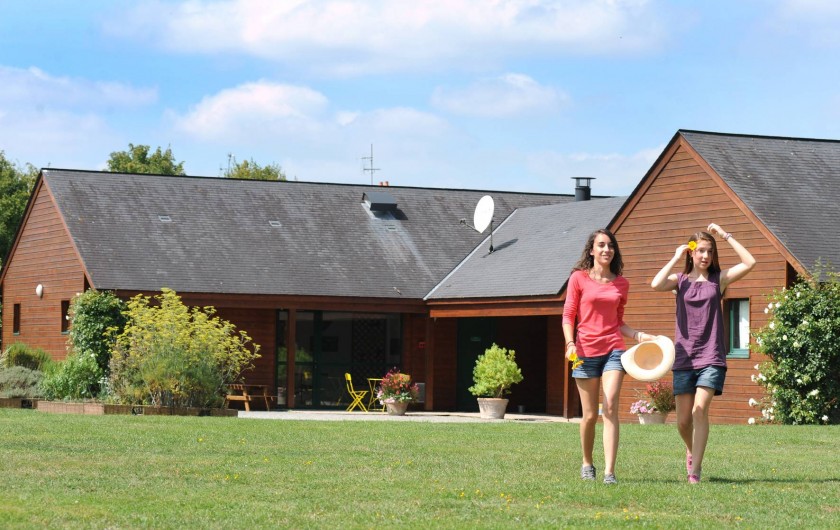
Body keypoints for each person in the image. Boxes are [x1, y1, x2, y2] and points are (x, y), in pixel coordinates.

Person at [650, 223, 755, 484]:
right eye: (701, 251)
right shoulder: (680, 282)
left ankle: (694, 471)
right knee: (683, 422)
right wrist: (676, 256)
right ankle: (691, 449)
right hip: (684, 357)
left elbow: (749, 262)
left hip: (711, 356)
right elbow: (655, 284)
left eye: (710, 251)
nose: (706, 256)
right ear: (692, 253)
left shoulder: (719, 280)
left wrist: (725, 235)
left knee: (699, 411)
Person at [563, 229, 655, 485]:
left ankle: (609, 472)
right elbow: (569, 314)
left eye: (610, 245)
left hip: (614, 350)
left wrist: (639, 335)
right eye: (601, 245)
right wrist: (570, 343)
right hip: (584, 352)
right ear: (592, 250)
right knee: (590, 415)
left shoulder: (621, 283)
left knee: (611, 406)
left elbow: (618, 321)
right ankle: (587, 463)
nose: (607, 249)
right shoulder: (578, 278)